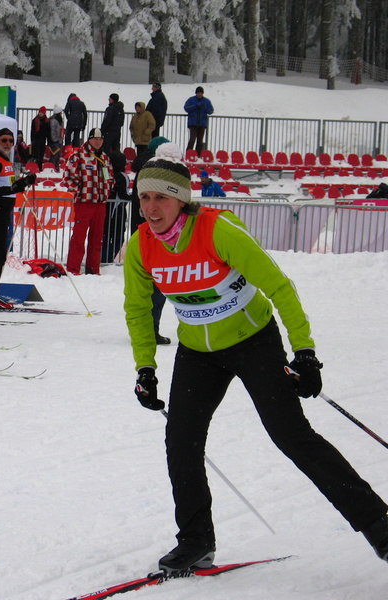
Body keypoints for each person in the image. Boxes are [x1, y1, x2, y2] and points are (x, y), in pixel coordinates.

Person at [123, 154, 388, 572]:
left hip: (253, 341)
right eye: (144, 198)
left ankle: (379, 526)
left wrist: (304, 353)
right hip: (198, 352)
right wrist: (145, 368)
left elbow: (279, 287)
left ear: (182, 200)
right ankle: (195, 540)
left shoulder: (217, 231)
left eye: (161, 198)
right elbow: (137, 309)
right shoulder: (141, 245)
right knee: (181, 442)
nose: (151, 208)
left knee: (291, 435)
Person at [0, 128, 35, 309]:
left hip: (3, 212)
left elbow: (8, 186)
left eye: (11, 140)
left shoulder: (5, 161)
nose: (8, 144)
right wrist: (12, 189)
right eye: (4, 140)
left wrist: (23, 183)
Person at [129, 136, 173, 345]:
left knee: (146, 289)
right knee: (154, 288)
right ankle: (149, 330)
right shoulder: (154, 175)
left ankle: (146, 329)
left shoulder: (145, 173)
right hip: (153, 236)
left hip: (145, 234)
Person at [63, 127, 114, 275]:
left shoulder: (104, 158)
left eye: (100, 139)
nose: (98, 142)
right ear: (89, 139)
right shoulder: (78, 155)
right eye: (95, 139)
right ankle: (73, 269)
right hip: (84, 203)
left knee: (97, 239)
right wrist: (79, 191)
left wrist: (107, 190)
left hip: (100, 204)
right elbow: (67, 177)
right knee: (79, 237)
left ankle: (93, 269)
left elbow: (110, 177)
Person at [100, 150, 129, 263]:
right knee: (118, 237)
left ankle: (104, 258)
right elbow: (123, 195)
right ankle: (112, 259)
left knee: (105, 236)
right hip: (118, 210)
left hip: (105, 209)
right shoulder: (123, 176)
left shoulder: (105, 173)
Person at [184, 86, 214, 152]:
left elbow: (211, 111)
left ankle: (198, 154)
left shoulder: (206, 101)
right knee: (192, 139)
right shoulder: (191, 100)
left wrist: (205, 108)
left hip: (202, 124)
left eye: (201, 93)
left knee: (200, 141)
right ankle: (189, 153)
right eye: (198, 93)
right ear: (196, 93)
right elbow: (186, 108)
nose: (199, 94)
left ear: (203, 93)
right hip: (193, 123)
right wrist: (195, 106)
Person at [30, 106, 49, 171]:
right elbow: (32, 131)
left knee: (41, 155)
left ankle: (40, 168)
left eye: (42, 112)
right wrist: (32, 140)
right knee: (36, 155)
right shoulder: (34, 120)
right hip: (35, 140)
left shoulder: (46, 121)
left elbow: (47, 132)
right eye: (40, 112)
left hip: (42, 140)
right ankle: (35, 167)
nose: (40, 113)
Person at [48, 106, 65, 171]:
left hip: (59, 140)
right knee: (54, 156)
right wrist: (55, 140)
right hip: (55, 141)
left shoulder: (59, 120)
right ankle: (52, 168)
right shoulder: (53, 120)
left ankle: (56, 168)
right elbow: (52, 131)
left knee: (58, 156)